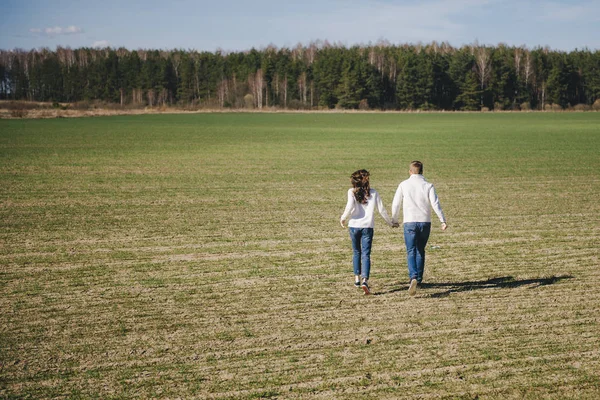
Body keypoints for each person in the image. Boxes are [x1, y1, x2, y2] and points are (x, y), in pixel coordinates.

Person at [391, 161, 447, 296]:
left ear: (410, 171)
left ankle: (413, 276)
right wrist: (442, 220)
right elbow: (435, 203)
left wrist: (394, 219)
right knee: (420, 250)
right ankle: (419, 279)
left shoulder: (404, 185)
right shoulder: (428, 185)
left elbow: (396, 203)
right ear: (422, 171)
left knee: (411, 250)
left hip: (409, 222)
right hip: (424, 222)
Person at [341, 169, 393, 295]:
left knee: (356, 251)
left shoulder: (351, 192)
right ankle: (365, 280)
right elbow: (381, 210)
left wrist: (343, 218)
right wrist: (391, 223)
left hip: (354, 226)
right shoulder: (373, 193)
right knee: (366, 254)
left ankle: (356, 279)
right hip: (367, 227)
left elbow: (349, 207)